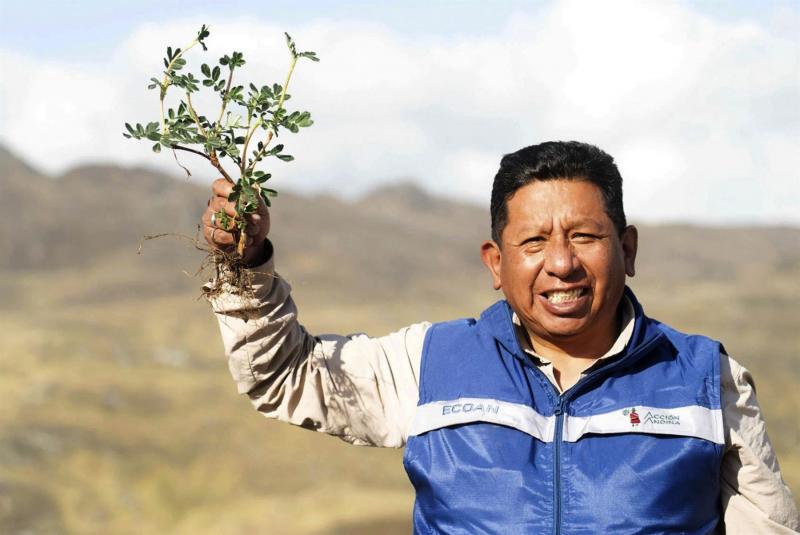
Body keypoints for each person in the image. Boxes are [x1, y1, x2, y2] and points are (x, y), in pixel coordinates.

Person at [202, 141, 800, 534]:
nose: (561, 263)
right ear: (495, 263)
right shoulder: (431, 363)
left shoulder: (705, 377)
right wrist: (243, 263)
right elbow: (283, 374)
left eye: (585, 237)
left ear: (629, 249)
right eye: (534, 242)